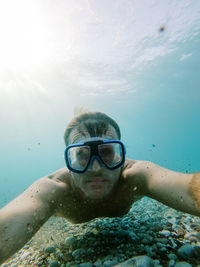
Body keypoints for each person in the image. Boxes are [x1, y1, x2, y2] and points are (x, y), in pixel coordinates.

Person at [0, 111, 200, 264]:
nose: (96, 168)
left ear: (119, 155)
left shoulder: (136, 174)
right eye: (82, 155)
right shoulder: (54, 188)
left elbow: (187, 189)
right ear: (70, 159)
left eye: (106, 153)